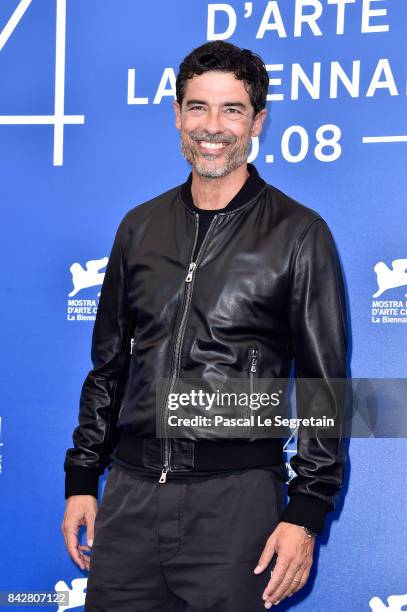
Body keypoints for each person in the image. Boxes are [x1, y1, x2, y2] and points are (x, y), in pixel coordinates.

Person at [61, 40, 348, 611]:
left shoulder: (298, 234)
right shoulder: (138, 228)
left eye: (231, 110)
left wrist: (307, 510)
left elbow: (326, 386)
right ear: (177, 114)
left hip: (236, 507)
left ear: (257, 121)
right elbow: (108, 367)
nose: (211, 127)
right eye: (198, 107)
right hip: (130, 501)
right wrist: (80, 480)